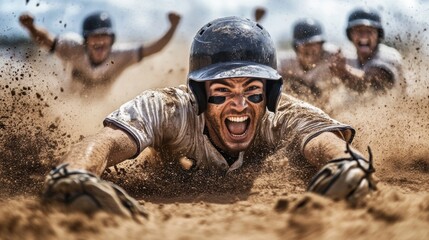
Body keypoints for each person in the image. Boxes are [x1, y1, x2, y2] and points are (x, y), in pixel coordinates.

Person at [43, 16, 377, 219]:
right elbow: (105, 141)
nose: (239, 105)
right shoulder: (170, 108)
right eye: (221, 92)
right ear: (198, 95)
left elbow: (324, 139)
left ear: (271, 95)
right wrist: (76, 173)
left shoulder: (282, 113)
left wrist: (346, 164)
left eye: (253, 91)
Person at [19, 11, 181, 97]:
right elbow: (47, 40)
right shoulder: (73, 47)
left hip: (99, 107)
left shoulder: (121, 55)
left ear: (112, 40)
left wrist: (172, 27)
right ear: (85, 39)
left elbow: (153, 48)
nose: (100, 41)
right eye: (95, 36)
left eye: (105, 36)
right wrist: (31, 27)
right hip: (70, 102)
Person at [329, 7, 405, 94]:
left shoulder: (390, 55)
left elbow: (370, 84)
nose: (363, 36)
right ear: (350, 35)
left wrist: (344, 72)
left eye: (369, 31)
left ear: (378, 35)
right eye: (358, 31)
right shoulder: (349, 58)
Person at [278, 18, 339, 108]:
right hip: (298, 107)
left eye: (315, 44)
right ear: (296, 47)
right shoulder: (286, 63)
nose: (311, 48)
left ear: (321, 45)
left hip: (327, 108)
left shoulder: (333, 58)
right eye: (305, 44)